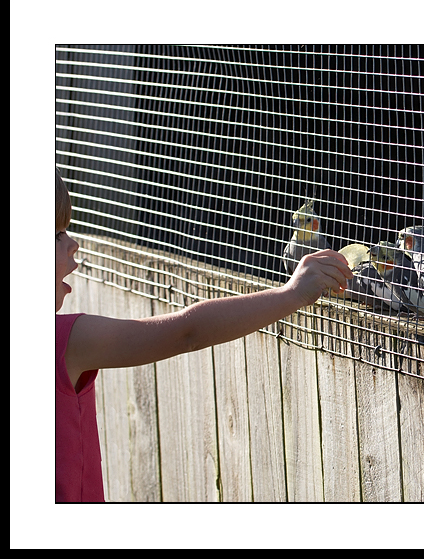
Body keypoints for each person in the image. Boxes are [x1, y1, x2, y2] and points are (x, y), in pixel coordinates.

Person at [55, 167, 353, 502]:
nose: (73, 243)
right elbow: (188, 332)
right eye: (56, 235)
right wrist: (291, 294)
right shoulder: (63, 342)